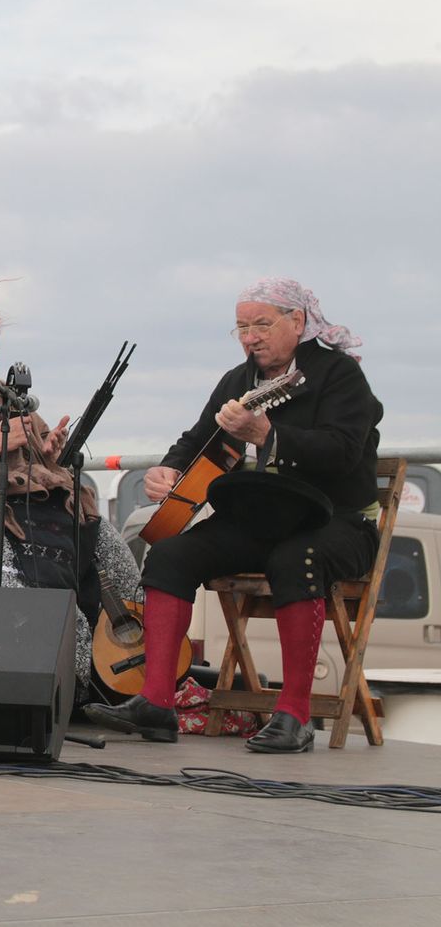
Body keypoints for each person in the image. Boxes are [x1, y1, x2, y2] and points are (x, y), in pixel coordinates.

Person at [85, 279, 381, 752]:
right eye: (241, 328)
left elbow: (343, 452)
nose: (250, 337)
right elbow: (197, 439)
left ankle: (295, 716)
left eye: (261, 324)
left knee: (295, 559)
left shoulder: (339, 375)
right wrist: (169, 470)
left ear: (297, 321)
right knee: (170, 556)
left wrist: (267, 435)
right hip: (261, 522)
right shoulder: (238, 381)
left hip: (337, 523)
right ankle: (156, 702)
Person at [0, 292, 143, 693]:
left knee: (114, 556)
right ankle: (43, 676)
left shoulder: (7, 395)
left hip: (32, 505)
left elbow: (34, 456)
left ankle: (133, 678)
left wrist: (48, 452)